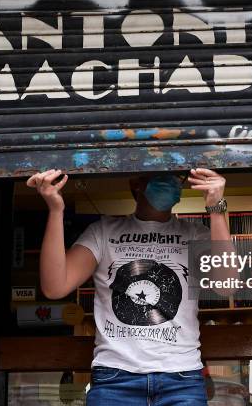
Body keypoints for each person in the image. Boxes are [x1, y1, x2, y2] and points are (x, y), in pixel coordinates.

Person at [26, 168, 232, 405]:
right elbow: (55, 287)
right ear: (135, 183)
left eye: (176, 176)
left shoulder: (197, 234)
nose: (170, 181)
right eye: (158, 175)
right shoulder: (103, 232)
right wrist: (55, 210)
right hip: (115, 378)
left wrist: (217, 210)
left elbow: (226, 285)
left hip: (182, 378)